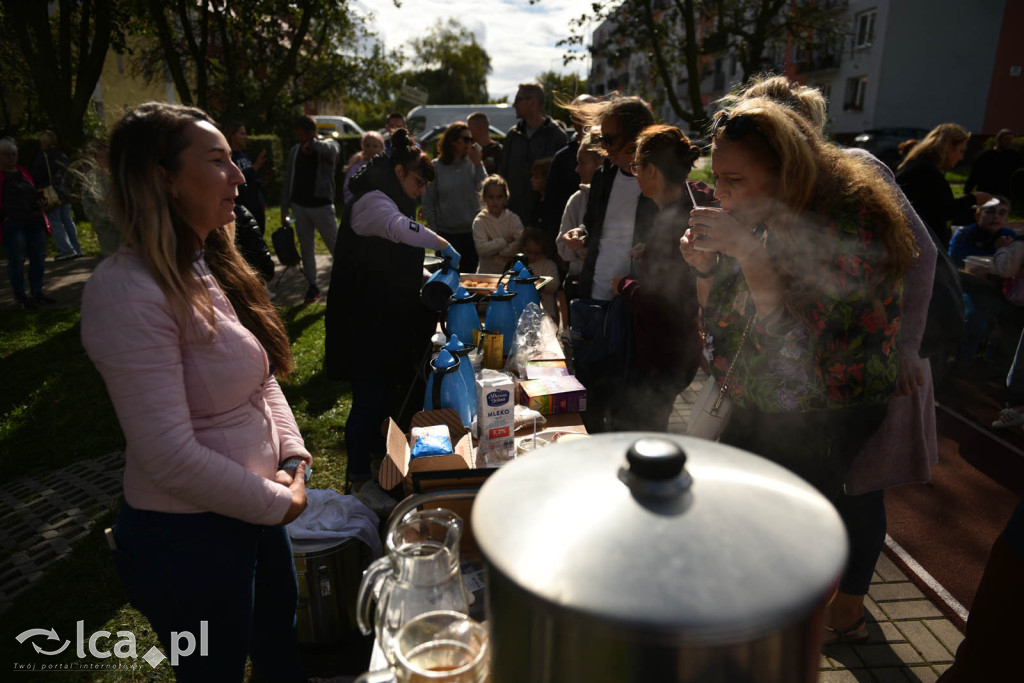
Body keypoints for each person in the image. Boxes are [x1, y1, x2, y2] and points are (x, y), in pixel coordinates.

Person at [80, 102, 310, 682]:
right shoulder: (126, 291)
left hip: (254, 513)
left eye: (234, 161)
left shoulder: (200, 263)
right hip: (188, 541)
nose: (238, 176)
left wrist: (293, 459)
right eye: (218, 161)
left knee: (279, 642)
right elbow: (166, 454)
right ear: (164, 178)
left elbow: (261, 380)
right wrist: (279, 502)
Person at [681, 97, 915, 594]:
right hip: (763, 399)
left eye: (734, 181)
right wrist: (705, 267)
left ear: (785, 171)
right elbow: (723, 324)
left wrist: (744, 250)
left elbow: (794, 345)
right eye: (716, 178)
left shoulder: (853, 217)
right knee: (743, 527)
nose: (720, 195)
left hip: (821, 411)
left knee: (783, 543)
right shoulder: (769, 210)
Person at [325, 128, 460, 489]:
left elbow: (391, 256)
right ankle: (357, 477)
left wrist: (423, 273)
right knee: (368, 399)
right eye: (420, 180)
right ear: (399, 171)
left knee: (384, 395)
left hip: (384, 317)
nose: (422, 189)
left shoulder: (393, 197)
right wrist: (443, 244)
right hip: (362, 319)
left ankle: (373, 459)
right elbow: (399, 229)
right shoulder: (372, 200)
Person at [562, 94, 658, 432]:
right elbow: (593, 223)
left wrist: (654, 248)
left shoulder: (657, 180)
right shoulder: (604, 175)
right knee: (591, 399)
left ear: (638, 138)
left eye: (609, 139)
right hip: (595, 300)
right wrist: (582, 234)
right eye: (601, 138)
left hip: (633, 306)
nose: (604, 147)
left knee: (628, 405)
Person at [609, 124, 710, 431]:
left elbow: (658, 303)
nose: (635, 173)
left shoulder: (674, 222)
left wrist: (623, 285)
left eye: (637, 166)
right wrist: (649, 249)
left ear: (652, 170)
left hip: (664, 355)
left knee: (640, 435)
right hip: (681, 350)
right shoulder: (691, 202)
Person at [896, 123, 993, 250]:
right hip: (916, 247)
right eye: (960, 151)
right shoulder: (924, 171)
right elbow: (940, 211)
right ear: (948, 147)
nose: (961, 157)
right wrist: (973, 199)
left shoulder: (920, 167)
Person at [949, 197, 1016, 366]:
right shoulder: (965, 234)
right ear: (978, 214)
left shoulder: (1009, 237)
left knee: (1010, 322)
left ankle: (995, 361)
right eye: (990, 212)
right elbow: (955, 259)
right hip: (971, 288)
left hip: (1001, 291)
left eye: (1002, 213)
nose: (996, 217)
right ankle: (964, 362)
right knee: (975, 321)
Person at [281, 114, 340, 302]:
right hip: (299, 206)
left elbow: (332, 151)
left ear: (312, 133)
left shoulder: (328, 145)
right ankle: (312, 286)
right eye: (297, 135)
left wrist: (313, 145)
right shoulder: (295, 151)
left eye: (302, 135)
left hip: (322, 206)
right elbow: (289, 178)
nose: (299, 139)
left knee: (336, 247)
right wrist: (285, 206)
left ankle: (347, 281)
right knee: (307, 248)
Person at [498, 83, 569, 223]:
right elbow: (502, 172)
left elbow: (563, 180)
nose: (514, 105)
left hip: (546, 218)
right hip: (514, 217)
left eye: (518, 100)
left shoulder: (557, 136)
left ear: (532, 102)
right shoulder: (513, 135)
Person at [423, 122, 486, 273]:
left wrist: (479, 164)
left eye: (471, 140)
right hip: (445, 235)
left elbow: (485, 191)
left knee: (469, 280)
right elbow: (427, 201)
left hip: (471, 234)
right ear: (452, 140)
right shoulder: (436, 166)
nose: (469, 144)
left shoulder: (474, 164)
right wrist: (436, 228)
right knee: (447, 280)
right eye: (466, 139)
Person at [1, 136, 54, 309]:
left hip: (33, 219)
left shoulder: (23, 171)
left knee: (38, 257)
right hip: (14, 223)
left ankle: (37, 292)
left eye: (14, 154)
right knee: (17, 260)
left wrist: (41, 200)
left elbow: (32, 191)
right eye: (7, 154)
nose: (11, 157)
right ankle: (20, 296)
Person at [556, 131, 603, 294]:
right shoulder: (577, 200)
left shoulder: (620, 199)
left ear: (601, 164)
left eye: (582, 163)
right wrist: (577, 248)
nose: (577, 169)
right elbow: (562, 248)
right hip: (581, 284)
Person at [543, 94, 596, 236]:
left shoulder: (610, 154)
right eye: (579, 114)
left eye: (589, 113)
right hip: (568, 236)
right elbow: (551, 202)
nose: (584, 119)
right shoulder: (562, 157)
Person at [31, 130, 82, 261]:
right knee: (67, 220)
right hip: (64, 190)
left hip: (50, 191)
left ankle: (66, 250)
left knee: (55, 220)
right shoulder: (61, 154)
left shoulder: (44, 155)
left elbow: (37, 175)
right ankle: (76, 248)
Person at [70, 138, 120, 257]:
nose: (105, 160)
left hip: (124, 226)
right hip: (106, 228)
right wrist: (98, 219)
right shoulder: (92, 178)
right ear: (95, 158)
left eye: (108, 156)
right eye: (101, 157)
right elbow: (88, 203)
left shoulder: (119, 174)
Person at [472, 174, 523, 274]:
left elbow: (520, 243)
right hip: (486, 274)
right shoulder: (480, 221)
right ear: (484, 198)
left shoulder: (513, 219)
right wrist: (506, 240)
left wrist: (501, 252)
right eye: (491, 197)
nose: (495, 201)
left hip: (510, 274)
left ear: (505, 198)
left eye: (499, 197)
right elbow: (482, 250)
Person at [224, 121, 268, 233]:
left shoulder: (244, 155)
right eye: (242, 134)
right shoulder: (229, 158)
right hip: (243, 209)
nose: (246, 137)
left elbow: (250, 180)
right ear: (232, 136)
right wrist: (256, 166)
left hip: (255, 206)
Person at [520, 226, 568, 328]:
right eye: (529, 252)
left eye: (536, 253)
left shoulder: (548, 265)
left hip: (546, 312)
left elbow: (554, 285)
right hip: (523, 312)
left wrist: (538, 283)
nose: (532, 256)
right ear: (523, 248)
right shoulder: (520, 264)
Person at [965, 129, 1021, 199]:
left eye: (1011, 140)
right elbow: (974, 174)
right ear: (998, 140)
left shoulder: (1014, 156)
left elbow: (1018, 176)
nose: (1009, 142)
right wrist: (967, 192)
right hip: (987, 193)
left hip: (1006, 195)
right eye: (1006, 139)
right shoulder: (987, 156)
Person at [343, 131, 385, 204]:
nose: (371, 149)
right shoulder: (356, 168)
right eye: (367, 145)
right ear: (362, 146)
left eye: (375, 146)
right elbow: (348, 189)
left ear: (381, 148)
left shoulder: (386, 167)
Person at [467, 111, 502, 175]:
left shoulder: (498, 150)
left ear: (480, 128)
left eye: (470, 128)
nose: (468, 131)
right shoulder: (468, 149)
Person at [526, 156, 553, 229]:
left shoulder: (551, 204)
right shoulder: (537, 201)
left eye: (536, 177)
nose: (532, 180)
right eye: (532, 176)